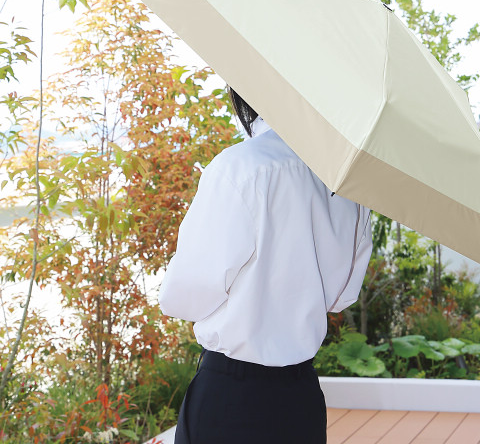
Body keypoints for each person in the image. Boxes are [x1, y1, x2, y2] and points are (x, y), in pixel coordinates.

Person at [159, 87, 372, 444]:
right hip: (301, 399)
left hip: (232, 398)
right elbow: (342, 296)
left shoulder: (240, 168)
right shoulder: (344, 179)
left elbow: (181, 298)